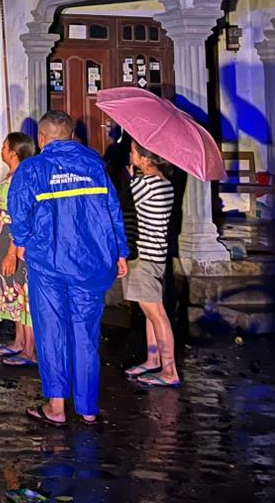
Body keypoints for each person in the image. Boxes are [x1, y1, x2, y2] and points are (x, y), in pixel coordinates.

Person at [9, 110, 129, 426]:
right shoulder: (94, 165)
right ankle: (88, 408)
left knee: (52, 331)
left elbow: (18, 209)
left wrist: (21, 240)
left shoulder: (33, 168)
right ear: (72, 135)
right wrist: (120, 252)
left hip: (48, 263)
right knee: (85, 333)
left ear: (42, 138)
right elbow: (113, 210)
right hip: (91, 262)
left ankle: (57, 407)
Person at [123, 138, 181, 388]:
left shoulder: (146, 184)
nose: (131, 155)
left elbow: (124, 200)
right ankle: (153, 358)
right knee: (150, 312)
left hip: (145, 257)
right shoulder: (165, 183)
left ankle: (169, 370)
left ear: (146, 159)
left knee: (156, 313)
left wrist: (130, 178)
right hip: (157, 254)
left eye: (134, 152)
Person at [0, 132, 38, 367]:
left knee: (24, 298)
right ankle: (19, 342)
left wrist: (11, 253)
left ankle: (30, 351)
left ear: (14, 153)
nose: (1, 150)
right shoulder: (11, 177)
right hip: (3, 244)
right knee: (14, 297)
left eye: (5, 146)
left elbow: (22, 218)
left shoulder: (22, 179)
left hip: (16, 248)